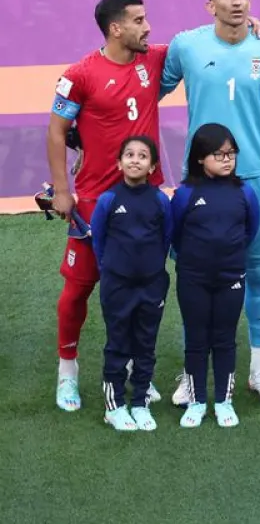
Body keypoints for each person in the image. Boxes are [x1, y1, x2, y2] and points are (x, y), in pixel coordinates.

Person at [162, 0, 260, 404]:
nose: (237, 1)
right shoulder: (186, 45)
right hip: (198, 183)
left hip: (253, 178)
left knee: (258, 273)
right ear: (211, 5)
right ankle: (191, 375)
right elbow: (147, 87)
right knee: (193, 278)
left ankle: (259, 370)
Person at [47, 0, 168, 412]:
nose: (148, 26)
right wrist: (63, 190)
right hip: (95, 201)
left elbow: (208, 42)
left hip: (146, 201)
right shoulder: (80, 74)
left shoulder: (153, 60)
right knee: (78, 289)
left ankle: (136, 370)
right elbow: (57, 131)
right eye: (138, 20)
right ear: (116, 28)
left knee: (140, 288)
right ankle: (67, 374)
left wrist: (250, 23)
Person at [170, 124, 260, 428]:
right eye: (218, 154)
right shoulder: (185, 194)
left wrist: (228, 257)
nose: (226, 159)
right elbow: (175, 233)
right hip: (193, 278)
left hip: (231, 277)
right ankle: (196, 402)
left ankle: (224, 401)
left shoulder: (244, 192)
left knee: (224, 340)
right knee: (196, 340)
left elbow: (250, 230)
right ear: (199, 158)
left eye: (231, 153)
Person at [90, 136, 173, 432]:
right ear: (119, 163)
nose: (135, 160)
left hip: (152, 285)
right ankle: (114, 407)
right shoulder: (109, 200)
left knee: (146, 345)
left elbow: (166, 238)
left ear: (152, 166)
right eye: (129, 154)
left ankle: (140, 402)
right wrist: (113, 270)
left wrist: (149, 269)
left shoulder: (161, 200)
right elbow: (98, 241)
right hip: (117, 286)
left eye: (142, 156)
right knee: (117, 345)